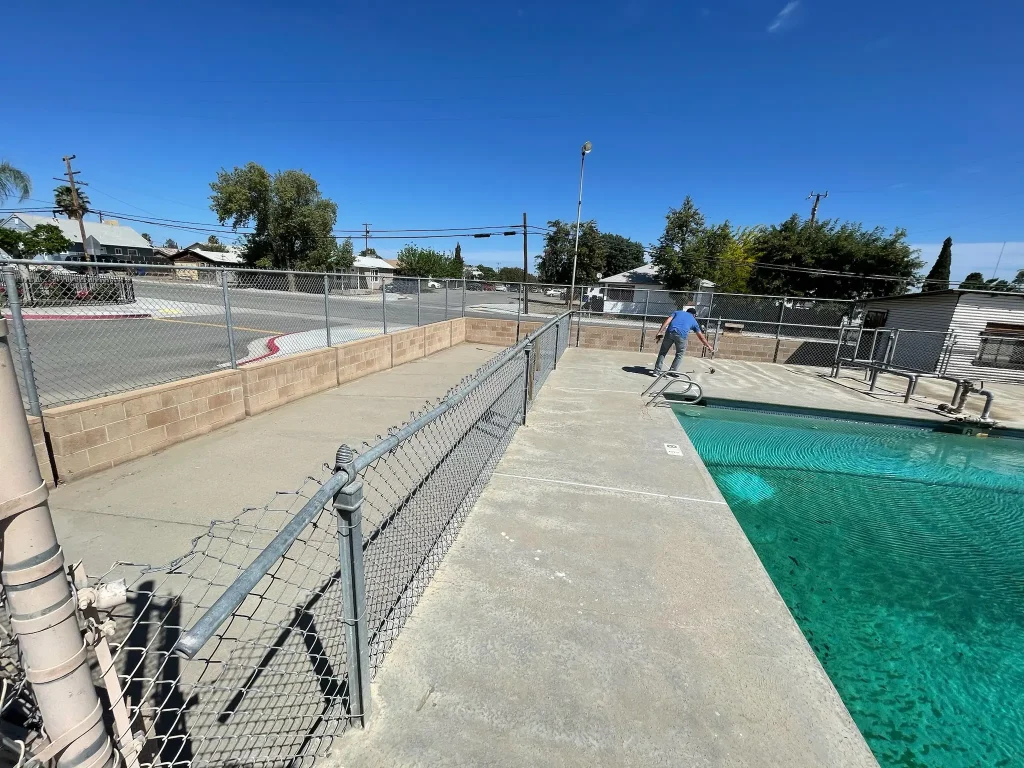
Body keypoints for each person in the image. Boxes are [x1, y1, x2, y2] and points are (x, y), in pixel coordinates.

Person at [652, 307, 712, 375]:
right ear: (694, 315)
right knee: (679, 354)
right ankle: (672, 372)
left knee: (663, 352)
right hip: (681, 336)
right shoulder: (694, 320)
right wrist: (708, 346)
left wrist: (660, 332)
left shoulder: (677, 312)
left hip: (670, 332)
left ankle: (656, 371)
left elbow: (667, 321)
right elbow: (701, 337)